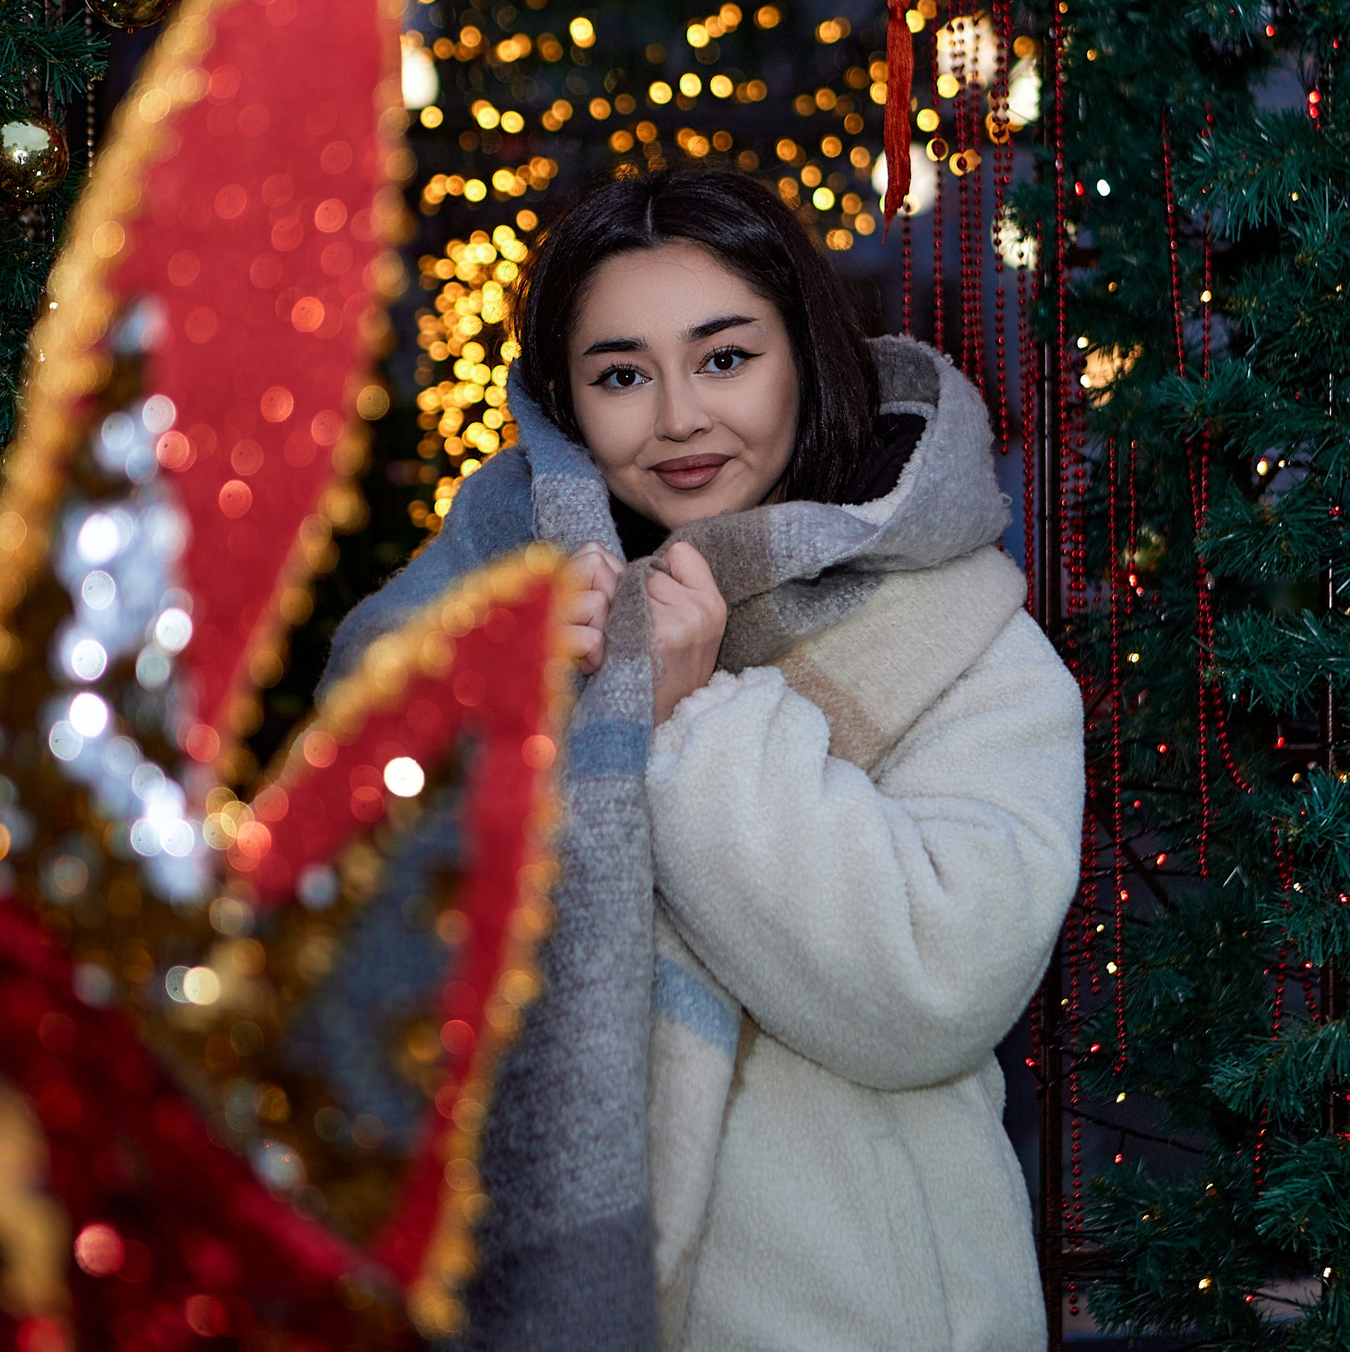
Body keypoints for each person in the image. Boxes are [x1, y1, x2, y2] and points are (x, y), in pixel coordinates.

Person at [326, 168, 1083, 1352]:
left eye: (725, 358)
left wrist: (685, 722)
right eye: (622, 375)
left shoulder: (964, 634)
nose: (677, 417)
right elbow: (354, 929)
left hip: (859, 1311)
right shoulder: (480, 602)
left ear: (807, 357)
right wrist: (499, 697)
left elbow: (937, 984)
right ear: (568, 405)